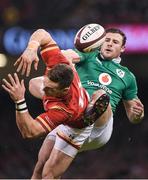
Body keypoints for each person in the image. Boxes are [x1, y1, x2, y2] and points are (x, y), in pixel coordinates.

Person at [14, 27, 144, 178]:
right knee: (42, 167)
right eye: (107, 40)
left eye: (115, 42)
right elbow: (67, 55)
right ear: (99, 42)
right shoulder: (88, 55)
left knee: (101, 95)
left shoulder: (128, 77)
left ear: (122, 48)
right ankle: (59, 102)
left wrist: (138, 114)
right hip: (73, 117)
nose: (109, 44)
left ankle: (85, 111)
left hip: (99, 127)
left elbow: (133, 117)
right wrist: (62, 57)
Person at [2, 29, 109, 179]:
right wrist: (31, 49)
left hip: (75, 127)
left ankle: (89, 113)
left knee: (48, 174)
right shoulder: (58, 62)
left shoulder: (63, 110)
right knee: (40, 164)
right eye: (46, 83)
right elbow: (42, 33)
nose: (44, 89)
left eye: (49, 88)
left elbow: (29, 133)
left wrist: (19, 100)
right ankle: (89, 101)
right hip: (73, 101)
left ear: (63, 90)